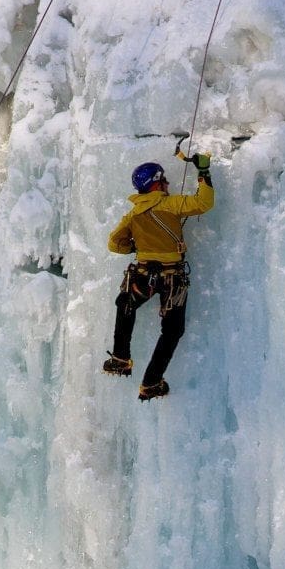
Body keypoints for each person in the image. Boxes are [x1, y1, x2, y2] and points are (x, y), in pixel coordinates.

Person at [105, 155, 215, 401]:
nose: (167, 184)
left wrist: (136, 248)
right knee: (172, 330)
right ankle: (151, 381)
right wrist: (204, 172)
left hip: (143, 274)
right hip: (171, 278)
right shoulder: (170, 204)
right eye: (163, 180)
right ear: (156, 184)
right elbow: (203, 203)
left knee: (125, 304)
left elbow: (114, 243)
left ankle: (120, 358)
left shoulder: (134, 214)